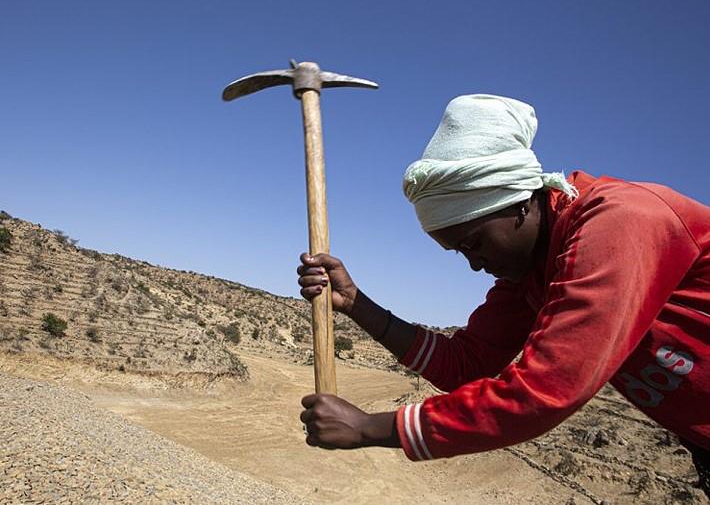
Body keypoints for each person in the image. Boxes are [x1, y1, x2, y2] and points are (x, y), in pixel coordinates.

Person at [296, 94, 709, 495]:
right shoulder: (534, 272)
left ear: (519, 204)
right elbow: (465, 364)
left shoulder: (620, 223)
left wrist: (372, 428)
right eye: (459, 253)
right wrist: (355, 303)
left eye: (474, 243)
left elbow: (547, 390)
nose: (475, 265)